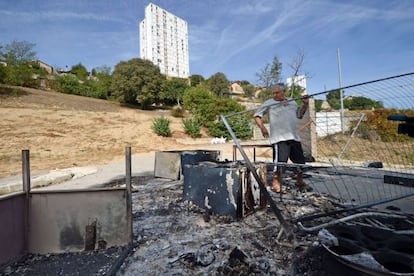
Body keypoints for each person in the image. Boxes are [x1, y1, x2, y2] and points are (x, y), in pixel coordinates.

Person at [254, 83, 310, 193]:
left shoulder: (292, 102)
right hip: (279, 138)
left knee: (300, 162)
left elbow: (300, 114)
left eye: (277, 92)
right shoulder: (269, 103)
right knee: (280, 163)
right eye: (273, 93)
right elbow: (257, 116)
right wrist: (262, 128)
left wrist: (305, 105)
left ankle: (300, 181)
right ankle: (276, 184)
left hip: (294, 137)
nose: (274, 95)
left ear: (284, 92)